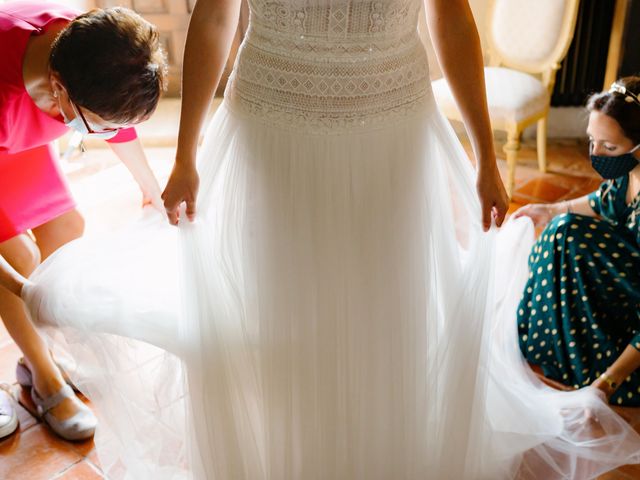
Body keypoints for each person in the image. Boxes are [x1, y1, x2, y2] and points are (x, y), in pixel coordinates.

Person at [19, 1, 640, 479]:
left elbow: (452, 19)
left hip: (390, 134)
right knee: (273, 305)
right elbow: (214, 19)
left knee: (384, 307)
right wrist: (186, 155)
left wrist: (484, 157)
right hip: (270, 132)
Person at [0, 1, 167, 441]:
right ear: (57, 90)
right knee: (16, 253)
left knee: (67, 227)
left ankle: (34, 356)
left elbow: (118, 117)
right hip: (6, 118)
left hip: (18, 136)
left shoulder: (91, 51)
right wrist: (25, 290)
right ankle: (45, 377)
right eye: (98, 127)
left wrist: (151, 186)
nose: (105, 134)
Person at [516, 77, 640, 407]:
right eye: (591, 141)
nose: (595, 154)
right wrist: (549, 209)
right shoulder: (628, 173)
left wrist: (607, 382)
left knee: (567, 233)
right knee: (560, 229)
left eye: (609, 147)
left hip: (634, 307)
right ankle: (547, 338)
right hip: (622, 274)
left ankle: (579, 354)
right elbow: (601, 202)